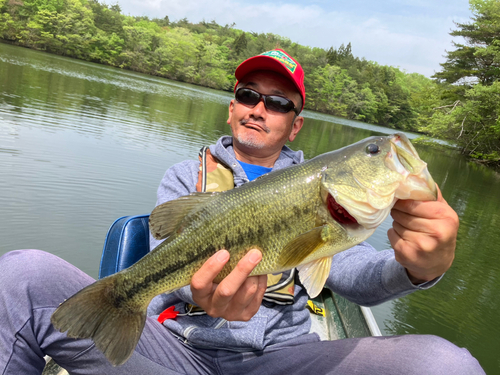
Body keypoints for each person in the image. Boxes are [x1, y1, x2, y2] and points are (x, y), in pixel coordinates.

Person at [0, 50, 484, 375]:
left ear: (295, 126)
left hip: (287, 359)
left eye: (276, 103)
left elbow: (356, 276)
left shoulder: (326, 198)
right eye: (248, 95)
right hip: (181, 353)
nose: (258, 108)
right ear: (231, 108)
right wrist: (202, 291)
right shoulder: (185, 176)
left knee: (446, 364)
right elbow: (170, 260)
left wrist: (419, 268)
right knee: (21, 275)